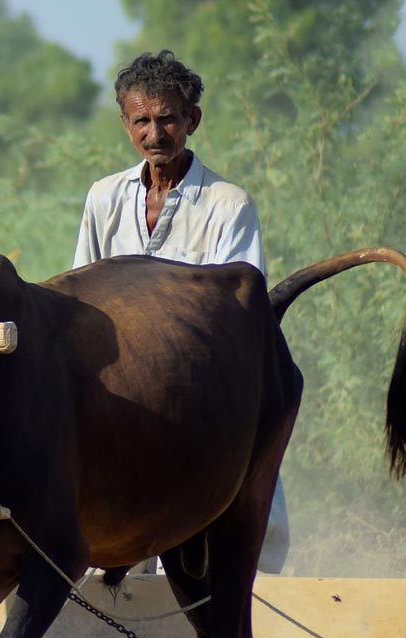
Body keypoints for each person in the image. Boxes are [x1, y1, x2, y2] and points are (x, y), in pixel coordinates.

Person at [74, 49, 288, 574]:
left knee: (220, 542)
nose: (155, 133)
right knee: (103, 537)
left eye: (168, 118)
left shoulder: (227, 204)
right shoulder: (104, 198)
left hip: (197, 400)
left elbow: (237, 315)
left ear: (192, 120)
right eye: (142, 120)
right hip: (121, 402)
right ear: (125, 124)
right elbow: (79, 299)